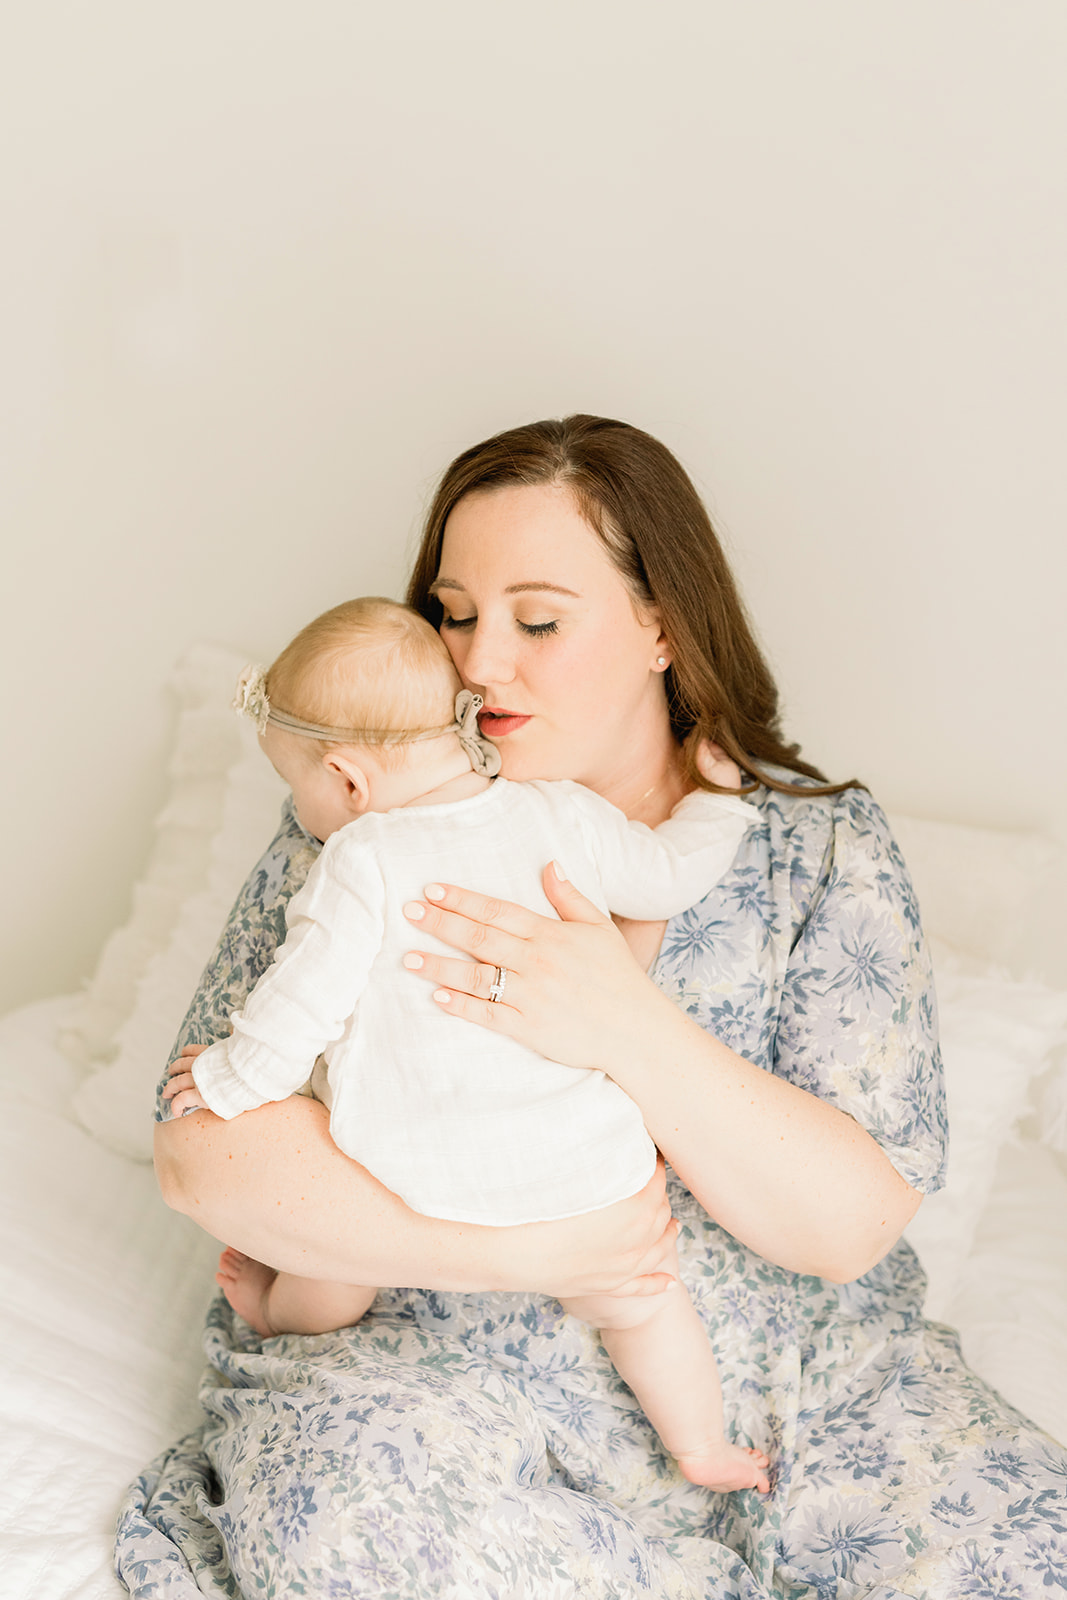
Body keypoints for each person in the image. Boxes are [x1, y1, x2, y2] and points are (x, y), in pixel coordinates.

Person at [118, 415, 1067, 1599]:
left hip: (794, 1386)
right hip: (437, 1375)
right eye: (454, 612)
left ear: (660, 625)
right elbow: (207, 1159)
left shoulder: (815, 851)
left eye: (538, 619)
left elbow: (846, 1228)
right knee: (349, 1533)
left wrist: (621, 1021)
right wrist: (529, 1250)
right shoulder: (360, 827)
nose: (475, 662)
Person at [162, 594, 769, 1492]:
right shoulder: (555, 812)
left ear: (349, 781)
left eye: (300, 787)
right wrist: (717, 801)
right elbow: (667, 872)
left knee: (333, 1262)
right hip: (586, 1178)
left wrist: (224, 1079)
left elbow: (297, 1012)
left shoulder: (358, 861)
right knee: (643, 1302)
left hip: (420, 1179)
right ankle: (704, 1448)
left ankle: (276, 1315)